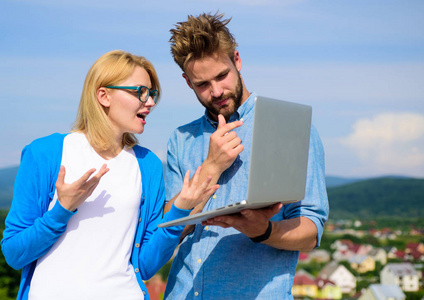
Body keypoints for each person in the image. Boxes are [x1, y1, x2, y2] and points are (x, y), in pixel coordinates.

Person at [1, 50, 219, 300]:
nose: (149, 102)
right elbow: (14, 253)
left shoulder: (147, 165)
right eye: (141, 92)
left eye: (152, 94)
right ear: (103, 95)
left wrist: (180, 212)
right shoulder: (45, 154)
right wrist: (62, 209)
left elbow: (144, 265)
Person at [163, 13, 329, 299]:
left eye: (221, 76)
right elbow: (166, 231)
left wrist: (263, 230)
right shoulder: (181, 139)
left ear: (237, 60)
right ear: (187, 82)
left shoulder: (288, 128)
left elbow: (311, 231)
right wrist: (211, 167)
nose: (216, 92)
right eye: (202, 84)